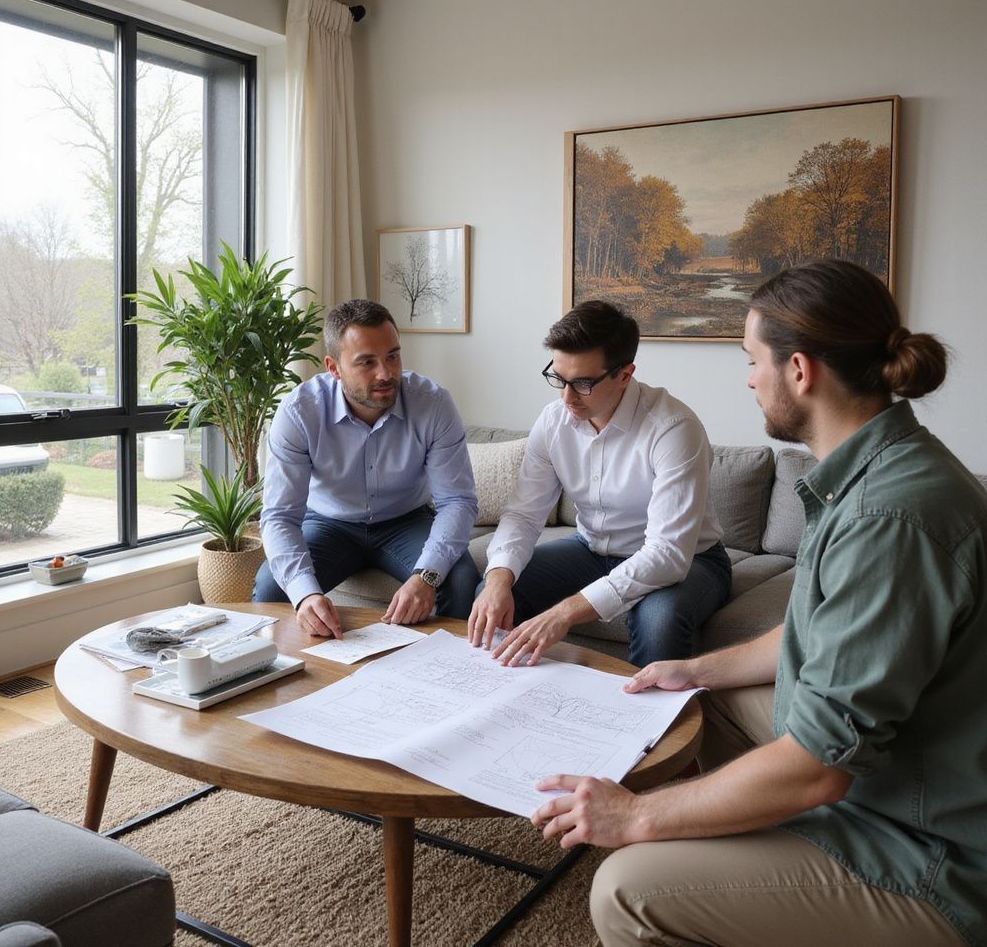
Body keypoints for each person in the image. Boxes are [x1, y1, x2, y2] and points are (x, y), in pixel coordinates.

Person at [531, 260, 987, 947]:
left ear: (799, 370)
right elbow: (820, 632)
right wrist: (697, 671)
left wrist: (638, 818)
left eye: (751, 360)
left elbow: (820, 766)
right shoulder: (877, 471)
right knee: (695, 703)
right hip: (889, 774)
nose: (747, 378)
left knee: (623, 890)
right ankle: (753, 855)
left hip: (926, 845)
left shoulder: (890, 517)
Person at [468, 299, 731, 668]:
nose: (566, 397)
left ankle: (642, 722)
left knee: (658, 622)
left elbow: (667, 554)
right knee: (491, 592)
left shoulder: (674, 429)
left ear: (624, 374)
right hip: (590, 549)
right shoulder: (553, 421)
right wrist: (498, 579)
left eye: (583, 383)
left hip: (691, 560)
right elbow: (525, 515)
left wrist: (564, 613)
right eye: (559, 378)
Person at [253, 299, 479, 637]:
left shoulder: (433, 404)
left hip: (406, 521)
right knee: (273, 587)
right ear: (334, 367)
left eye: (392, 356)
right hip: (329, 524)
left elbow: (457, 501)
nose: (386, 373)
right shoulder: (300, 412)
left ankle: (448, 676)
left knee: (460, 581)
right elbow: (279, 516)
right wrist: (305, 595)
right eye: (366, 362)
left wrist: (425, 576)